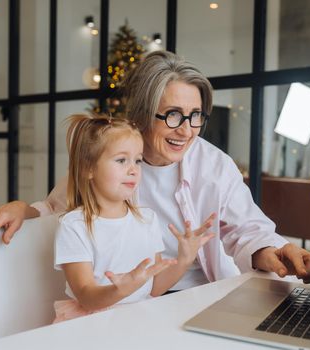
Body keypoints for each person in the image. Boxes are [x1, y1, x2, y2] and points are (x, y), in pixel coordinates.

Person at [0, 50, 310, 288]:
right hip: (132, 296)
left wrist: (275, 254)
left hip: (200, 293)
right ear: (141, 114)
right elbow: (57, 206)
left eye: (195, 116)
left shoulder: (214, 165)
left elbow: (247, 231)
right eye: (172, 115)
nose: (185, 130)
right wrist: (21, 208)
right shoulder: (113, 154)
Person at [53, 114, 215, 322]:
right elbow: (86, 297)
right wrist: (120, 290)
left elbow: (154, 288)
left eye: (137, 160)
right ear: (88, 168)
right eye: (121, 160)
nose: (133, 170)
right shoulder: (74, 226)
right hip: (92, 323)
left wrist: (184, 259)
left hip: (138, 317)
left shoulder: (147, 219)